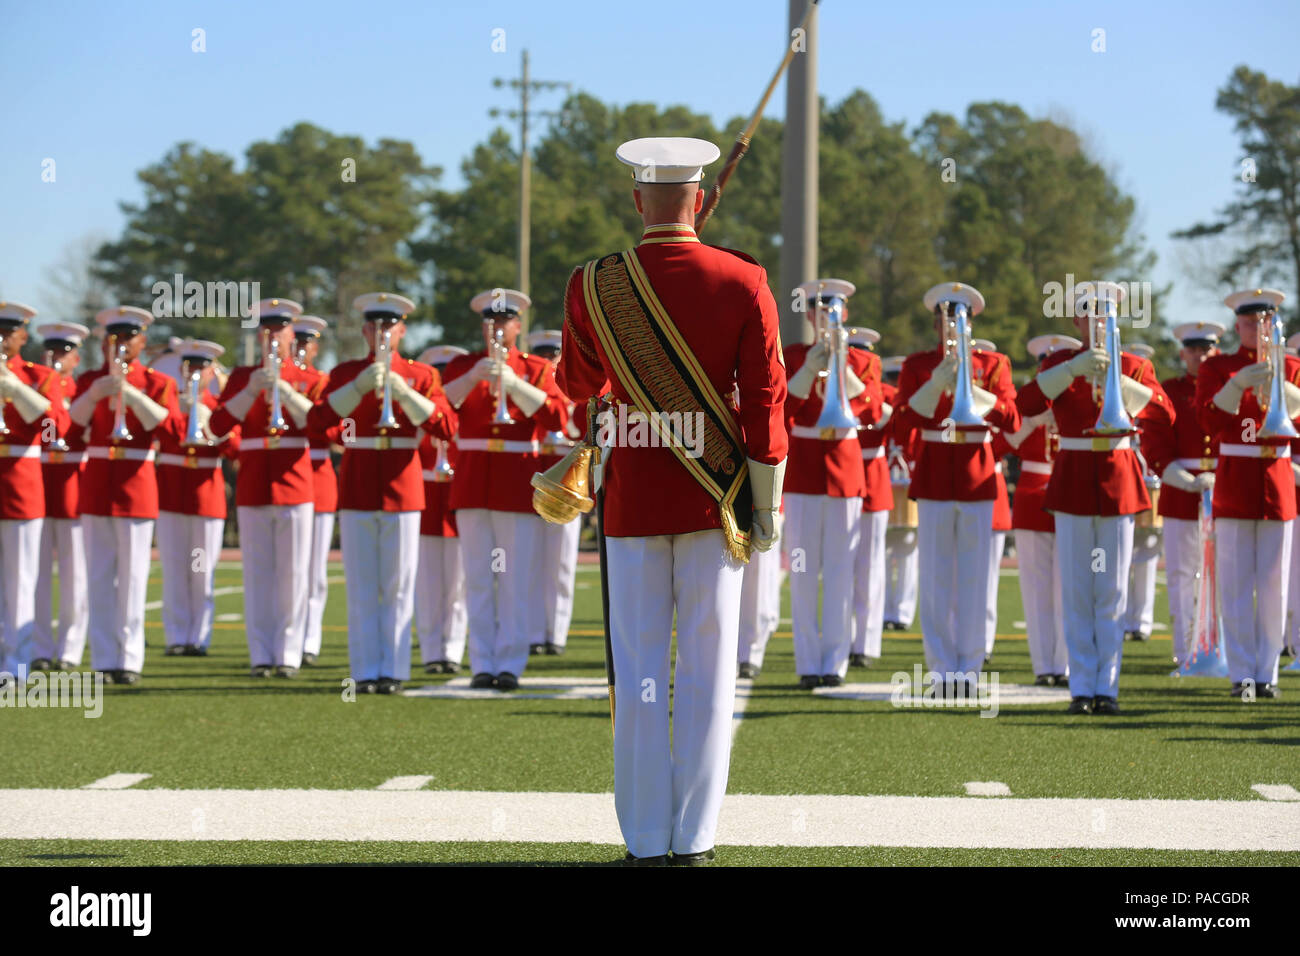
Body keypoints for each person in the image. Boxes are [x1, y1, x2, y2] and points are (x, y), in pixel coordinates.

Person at [557, 136, 787, 865]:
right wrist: (767, 503)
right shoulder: (743, 279)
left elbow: (575, 384)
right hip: (717, 499)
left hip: (632, 499)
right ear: (699, 201)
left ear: (636, 201)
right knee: (712, 668)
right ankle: (694, 838)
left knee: (640, 668)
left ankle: (644, 838)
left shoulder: (594, 282)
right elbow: (766, 401)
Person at [1015, 282, 1173, 714]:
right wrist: (1070, 371)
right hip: (1073, 478)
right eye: (1089, 312)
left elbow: (1164, 412)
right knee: (1077, 586)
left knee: (1112, 588)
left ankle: (1108, 687)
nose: (1098, 320)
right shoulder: (1061, 363)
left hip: (1118, 479)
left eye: (1106, 312)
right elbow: (1024, 404)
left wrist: (1116, 380)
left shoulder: (1133, 364)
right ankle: (1082, 687)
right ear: (1076, 320)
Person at [309, 293, 456, 694]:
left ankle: (394, 669)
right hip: (357, 483)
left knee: (398, 583)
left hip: (403, 486)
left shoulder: (422, 375)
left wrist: (405, 394)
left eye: (390, 326)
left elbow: (447, 427)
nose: (382, 333)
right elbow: (316, 422)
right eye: (375, 326)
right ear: (365, 331)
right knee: (361, 584)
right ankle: (365, 670)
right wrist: (357, 388)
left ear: (402, 330)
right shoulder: (344, 373)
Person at [894, 283, 1019, 694]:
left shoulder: (994, 363)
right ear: (936, 324)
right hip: (933, 474)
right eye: (946, 321)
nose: (952, 329)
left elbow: (1012, 420)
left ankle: (971, 667)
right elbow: (901, 425)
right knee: (935, 578)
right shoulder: (917, 364)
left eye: (959, 322)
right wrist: (938, 381)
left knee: (978, 577)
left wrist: (972, 386)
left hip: (978, 475)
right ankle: (942, 670)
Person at [441, 289, 569, 690]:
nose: (497, 328)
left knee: (514, 578)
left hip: (515, 480)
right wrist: (470, 378)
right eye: (491, 322)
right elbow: (442, 412)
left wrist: (514, 385)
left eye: (505, 322)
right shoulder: (463, 365)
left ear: (518, 326)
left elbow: (556, 416)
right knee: (478, 577)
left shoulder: (534, 368)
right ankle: (481, 660)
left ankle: (511, 662)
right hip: (474, 480)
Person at [209, 298, 324, 678]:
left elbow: (321, 427)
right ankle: (261, 653)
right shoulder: (243, 377)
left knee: (293, 574)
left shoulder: (311, 379)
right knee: (258, 574)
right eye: (266, 330)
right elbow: (217, 426)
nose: (273, 336)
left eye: (280, 330)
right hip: (254, 482)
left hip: (295, 483)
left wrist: (287, 393)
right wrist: (249, 391)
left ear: (293, 334)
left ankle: (289, 653)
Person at [1195, 288, 1300, 699]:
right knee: (1237, 583)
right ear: (1237, 325)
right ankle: (1241, 674)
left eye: (1265, 320)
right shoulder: (1219, 367)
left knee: (1275, 585)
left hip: (1276, 478)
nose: (1258, 327)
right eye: (1250, 321)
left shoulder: (1291, 366)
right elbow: (1207, 421)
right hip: (1236, 476)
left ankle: (1267, 672)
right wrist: (1235, 386)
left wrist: (1285, 390)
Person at [71, 306, 183, 685]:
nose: (120, 344)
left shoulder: (157, 384)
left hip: (136, 484)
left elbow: (170, 431)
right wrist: (90, 397)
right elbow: (67, 432)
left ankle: (130, 658)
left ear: (142, 342)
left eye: (128, 338)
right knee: (99, 576)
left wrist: (133, 396)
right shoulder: (88, 379)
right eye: (113, 338)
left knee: (134, 577)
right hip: (98, 483)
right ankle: (104, 658)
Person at [783, 280, 882, 688]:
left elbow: (873, 410)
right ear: (808, 316)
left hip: (844, 467)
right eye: (818, 312)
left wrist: (841, 364)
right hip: (804, 469)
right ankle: (808, 663)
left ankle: (835, 663)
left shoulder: (863, 361)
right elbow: (784, 407)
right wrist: (811, 366)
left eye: (833, 312)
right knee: (803, 570)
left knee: (842, 571)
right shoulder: (792, 355)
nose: (824, 318)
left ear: (844, 315)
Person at [1146, 322, 1222, 666]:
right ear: (1182, 353)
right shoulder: (1171, 390)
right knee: (1180, 574)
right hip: (1181, 492)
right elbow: (1157, 446)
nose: (1200, 355)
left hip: (1225, 489)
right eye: (1193, 349)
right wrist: (1185, 479)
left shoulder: (1227, 387)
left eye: (1206, 349)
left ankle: (1219, 649)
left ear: (1216, 350)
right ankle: (1185, 650)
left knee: (1223, 574)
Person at [156, 340, 239, 656]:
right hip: (172, 496)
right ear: (181, 369)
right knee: (175, 571)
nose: (194, 372)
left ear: (211, 372)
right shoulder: (170, 403)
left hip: (206, 498)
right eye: (190, 366)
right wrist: (185, 413)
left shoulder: (219, 406)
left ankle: (199, 637)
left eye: (201, 367)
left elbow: (234, 449)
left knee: (202, 573)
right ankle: (177, 637)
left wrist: (210, 421)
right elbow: (165, 434)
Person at [0, 303, 66, 682]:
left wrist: (14, 387)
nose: (4, 339)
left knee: (21, 578)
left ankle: (17, 666)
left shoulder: (39, 376)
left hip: (21, 482)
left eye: (10, 333)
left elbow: (53, 430)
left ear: (24, 337)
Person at [1006, 333, 1077, 685]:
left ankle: (1063, 665)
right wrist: (1035, 419)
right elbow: (1009, 439)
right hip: (1034, 495)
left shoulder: (1077, 400)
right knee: (1036, 589)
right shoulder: (1028, 404)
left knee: (1067, 586)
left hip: (1067, 491)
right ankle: (1043, 667)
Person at [31, 322, 89, 672]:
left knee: (74, 574)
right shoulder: (37, 386)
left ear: (76, 357)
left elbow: (74, 428)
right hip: (38, 479)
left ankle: (69, 649)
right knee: (35, 575)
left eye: (64, 351)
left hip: (72, 482)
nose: (57, 357)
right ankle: (39, 646)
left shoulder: (81, 389)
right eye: (52, 350)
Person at [528, 328, 584, 656]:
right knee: (533, 561)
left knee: (562, 562)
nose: (550, 361)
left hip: (566, 483)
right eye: (544, 355)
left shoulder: (575, 388)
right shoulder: (536, 389)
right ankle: (535, 632)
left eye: (555, 354)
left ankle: (556, 633)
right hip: (537, 479)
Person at [415, 345, 468, 674]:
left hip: (456, 494)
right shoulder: (423, 409)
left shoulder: (465, 409)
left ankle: (452, 650)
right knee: (428, 582)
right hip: (425, 495)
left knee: (458, 582)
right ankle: (432, 650)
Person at [293, 316, 338, 666]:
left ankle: (309, 639)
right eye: (295, 341)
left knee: (314, 569)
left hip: (317, 475)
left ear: (315, 347)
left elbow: (339, 433)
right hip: (283, 473)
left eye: (306, 342)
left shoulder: (321, 382)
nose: (299, 348)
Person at [848, 327, 891, 669]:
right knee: (843, 565)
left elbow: (887, 417)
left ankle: (867, 641)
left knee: (871, 566)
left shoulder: (884, 391)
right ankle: (847, 637)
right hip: (841, 470)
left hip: (872, 475)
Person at [880, 356, 918, 631]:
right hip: (894, 482)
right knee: (901, 552)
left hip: (897, 484)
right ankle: (898, 613)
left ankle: (892, 611)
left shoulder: (904, 409)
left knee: (894, 551)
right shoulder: (905, 407)